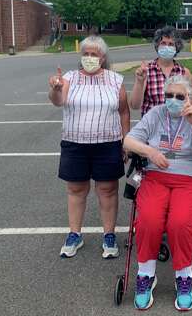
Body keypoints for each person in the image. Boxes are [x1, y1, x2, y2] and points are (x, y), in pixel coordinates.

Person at [122, 75, 192, 311]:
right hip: (156, 176)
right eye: (168, 95)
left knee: (179, 222)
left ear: (190, 98)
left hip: (191, 178)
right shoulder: (155, 113)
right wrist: (150, 152)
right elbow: (128, 141)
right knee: (148, 221)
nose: (172, 100)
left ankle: (184, 277)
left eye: (179, 96)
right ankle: (146, 275)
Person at [48, 35, 130, 259]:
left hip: (108, 143)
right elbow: (58, 101)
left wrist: (126, 140)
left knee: (107, 190)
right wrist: (55, 88)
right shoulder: (69, 78)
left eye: (94, 54)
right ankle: (75, 233)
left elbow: (124, 111)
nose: (90, 58)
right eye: (86, 53)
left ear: (103, 57)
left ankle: (109, 235)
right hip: (75, 143)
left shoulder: (115, 80)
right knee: (76, 190)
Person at [129, 26, 192, 117]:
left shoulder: (184, 73)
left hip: (177, 128)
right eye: (163, 43)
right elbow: (134, 106)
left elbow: (191, 105)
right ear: (157, 46)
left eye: (171, 44)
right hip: (152, 127)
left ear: (176, 48)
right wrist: (140, 82)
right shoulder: (147, 71)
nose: (167, 47)